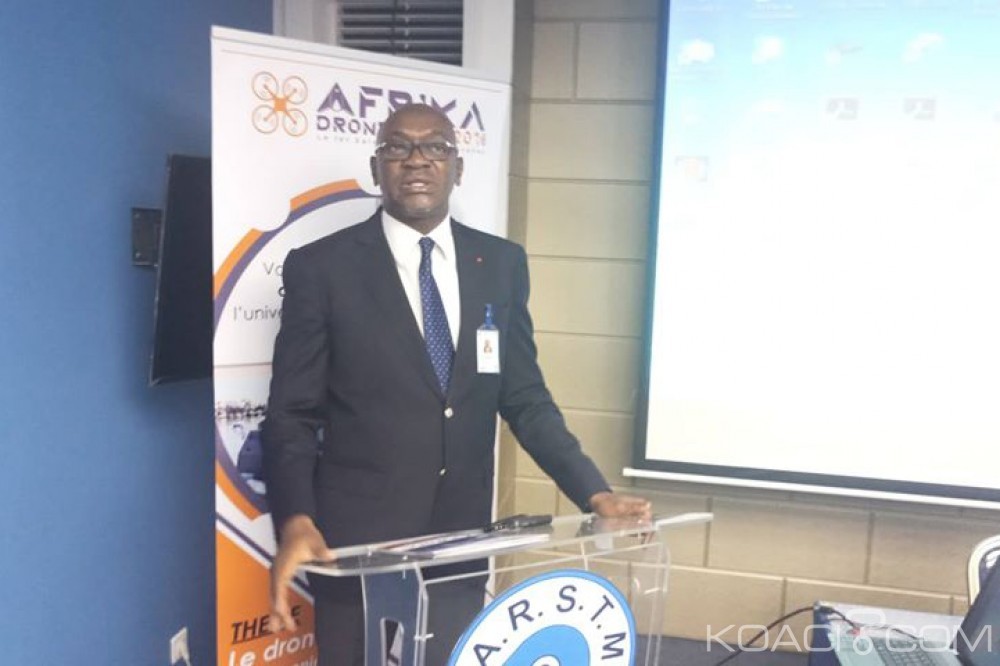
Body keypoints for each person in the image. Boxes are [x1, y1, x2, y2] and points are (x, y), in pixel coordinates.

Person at [261, 102, 651, 665]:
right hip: (355, 539)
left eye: (436, 147)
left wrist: (594, 492)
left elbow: (524, 398)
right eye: (398, 146)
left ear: (458, 167)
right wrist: (296, 517)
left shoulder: (501, 263)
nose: (417, 160)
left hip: (459, 536)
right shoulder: (322, 267)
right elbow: (291, 414)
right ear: (376, 167)